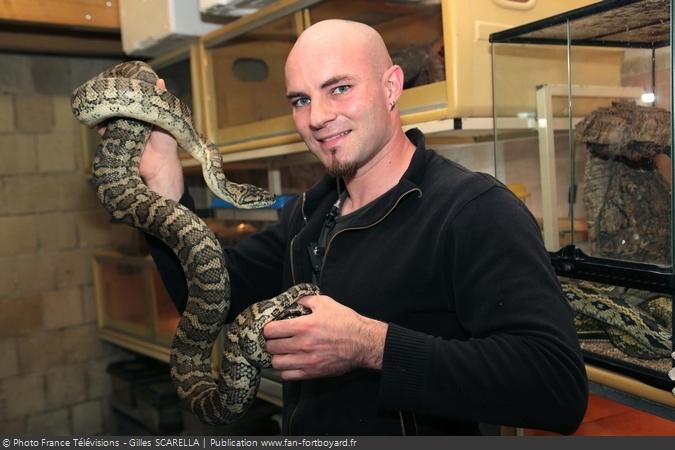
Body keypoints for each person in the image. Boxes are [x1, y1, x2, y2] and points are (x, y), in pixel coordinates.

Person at [139, 19, 588, 435]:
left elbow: (555, 387)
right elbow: (205, 300)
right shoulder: (307, 216)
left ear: (391, 87)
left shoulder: (472, 210)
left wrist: (371, 346)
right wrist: (163, 184)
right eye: (301, 99)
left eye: (338, 88)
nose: (316, 117)